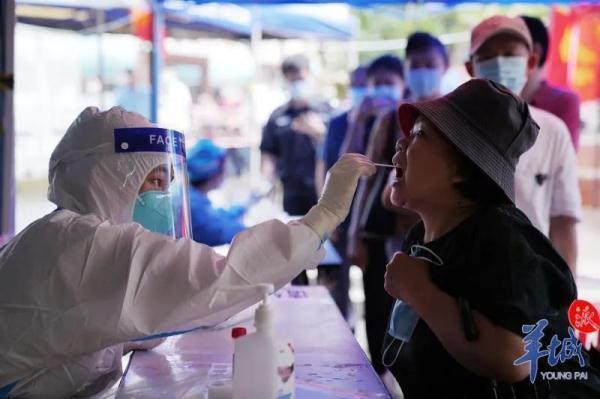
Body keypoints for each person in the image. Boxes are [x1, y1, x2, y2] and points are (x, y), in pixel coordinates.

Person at [0, 106, 375, 397]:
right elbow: (222, 276)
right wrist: (323, 217)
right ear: (109, 177)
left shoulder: (63, 235)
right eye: (155, 182)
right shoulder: (79, 244)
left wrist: (224, 300)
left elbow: (175, 307)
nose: (163, 198)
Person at [383, 78, 600, 398]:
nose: (401, 144)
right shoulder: (420, 238)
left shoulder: (502, 239)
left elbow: (512, 358)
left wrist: (419, 290)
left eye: (419, 134)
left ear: (462, 167)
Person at [466, 15, 581, 272]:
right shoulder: (449, 127)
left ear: (530, 62)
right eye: (486, 57)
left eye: (509, 54)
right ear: (470, 68)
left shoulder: (553, 131)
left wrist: (565, 296)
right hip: (461, 278)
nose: (499, 63)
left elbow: (563, 221)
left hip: (531, 279)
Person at [342, 54, 405, 377]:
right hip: (378, 232)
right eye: (376, 84)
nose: (382, 90)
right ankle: (380, 375)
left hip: (411, 232)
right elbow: (359, 177)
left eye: (388, 83)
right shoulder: (383, 120)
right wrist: (355, 233)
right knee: (379, 308)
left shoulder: (425, 117)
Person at [260, 54, 330, 218]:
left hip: (324, 191)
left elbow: (339, 149)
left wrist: (320, 133)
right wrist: (266, 184)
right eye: (292, 81)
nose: (297, 85)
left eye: (301, 80)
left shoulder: (326, 111)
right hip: (291, 193)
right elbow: (269, 153)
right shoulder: (278, 116)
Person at [520, 15, 581, 150]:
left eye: (508, 50)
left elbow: (564, 159)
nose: (499, 59)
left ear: (535, 52)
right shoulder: (495, 98)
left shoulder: (564, 102)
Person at [186, 138, 245, 247]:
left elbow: (218, 216)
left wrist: (243, 207)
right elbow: (220, 230)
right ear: (214, 173)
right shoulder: (193, 206)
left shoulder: (193, 197)